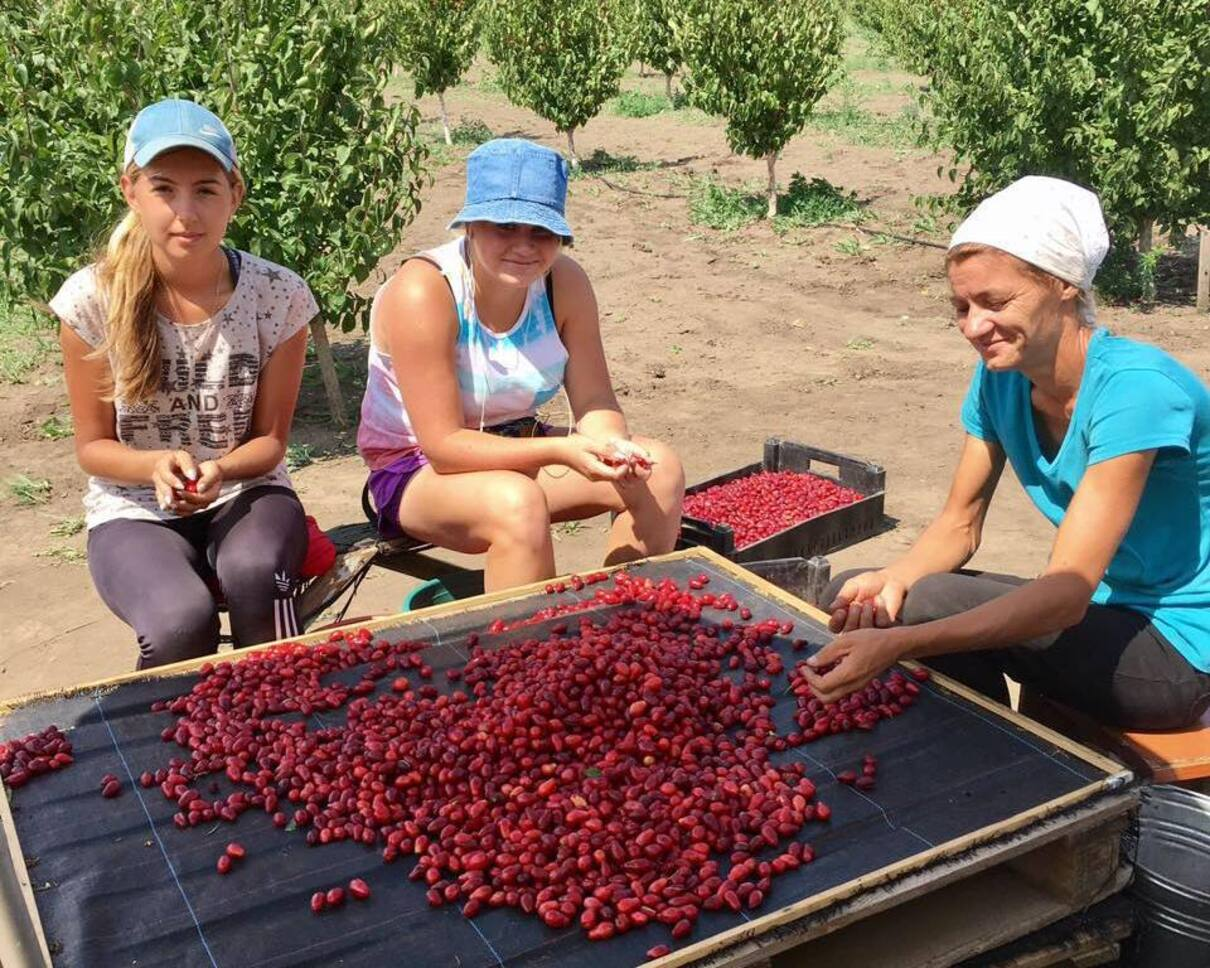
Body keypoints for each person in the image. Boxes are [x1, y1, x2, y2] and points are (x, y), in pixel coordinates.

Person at [808, 176, 1210, 731]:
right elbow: (959, 525)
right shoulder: (1001, 379)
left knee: (917, 612)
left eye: (995, 302)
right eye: (962, 306)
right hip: (1107, 610)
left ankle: (994, 753)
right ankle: (986, 747)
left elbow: (1066, 596)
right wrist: (895, 577)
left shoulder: (1134, 391)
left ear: (1064, 285)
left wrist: (901, 642)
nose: (974, 326)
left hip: (1181, 652)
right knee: (859, 596)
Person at [51, 99, 318, 669]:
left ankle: (280, 732)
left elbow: (271, 442)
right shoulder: (90, 301)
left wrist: (219, 468)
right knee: (179, 621)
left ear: (235, 194)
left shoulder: (279, 296)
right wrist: (153, 465)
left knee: (256, 579)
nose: (185, 212)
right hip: (132, 510)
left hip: (247, 493)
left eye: (205, 190)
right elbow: (92, 448)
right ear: (131, 190)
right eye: (164, 189)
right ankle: (176, 751)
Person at [358, 138, 684, 592]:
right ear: (470, 225)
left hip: (520, 447)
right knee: (518, 502)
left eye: (541, 232)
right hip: (418, 472)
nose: (524, 247)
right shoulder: (425, 291)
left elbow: (594, 399)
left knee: (660, 470)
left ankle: (620, 616)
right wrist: (560, 451)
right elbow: (445, 446)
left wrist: (613, 449)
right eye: (505, 227)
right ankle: (527, 652)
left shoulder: (563, 284)